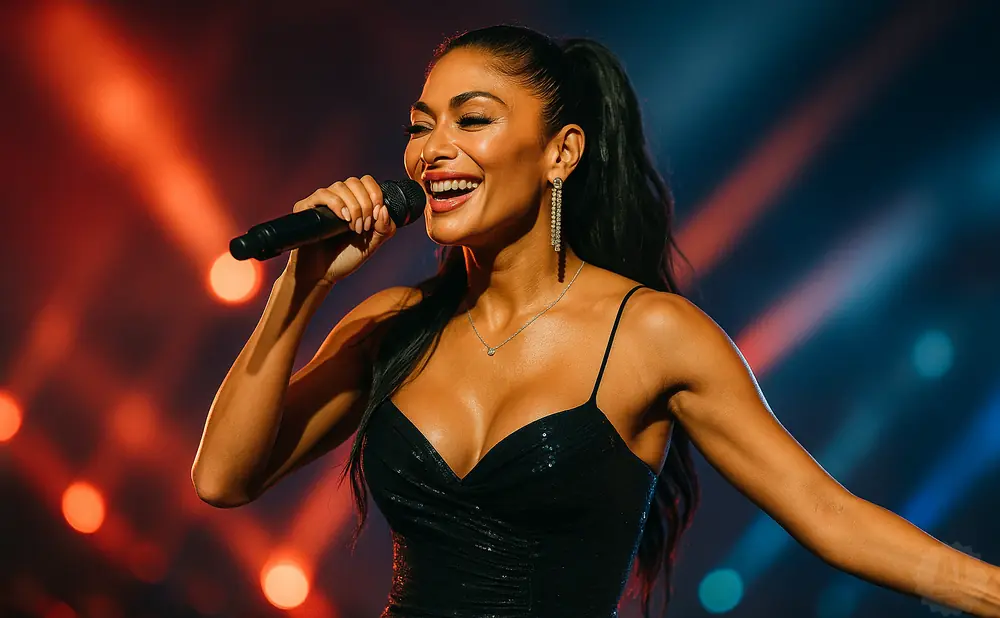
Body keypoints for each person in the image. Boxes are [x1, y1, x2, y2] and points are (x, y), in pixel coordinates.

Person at [191, 24, 999, 618]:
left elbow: (828, 516)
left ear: (561, 153)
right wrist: (300, 286)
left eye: (471, 119)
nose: (431, 149)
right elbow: (223, 479)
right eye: (420, 124)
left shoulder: (652, 336)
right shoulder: (393, 327)